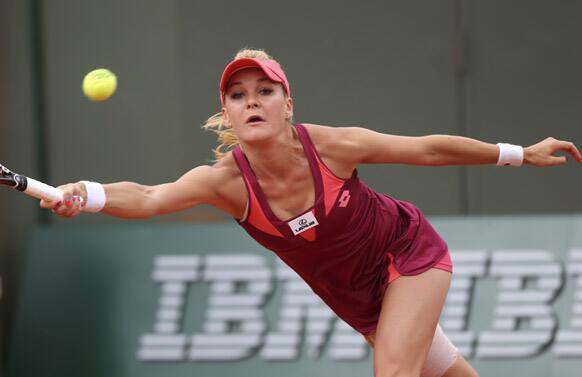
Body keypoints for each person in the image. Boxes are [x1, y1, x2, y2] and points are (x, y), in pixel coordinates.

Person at [41, 49, 581, 377]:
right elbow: (150, 197)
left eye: (264, 90)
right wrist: (84, 193)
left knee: (394, 370)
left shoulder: (333, 146)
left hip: (408, 254)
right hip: (358, 301)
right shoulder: (226, 183)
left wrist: (519, 154)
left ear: (287, 103)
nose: (252, 100)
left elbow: (428, 148)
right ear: (226, 112)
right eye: (237, 94)